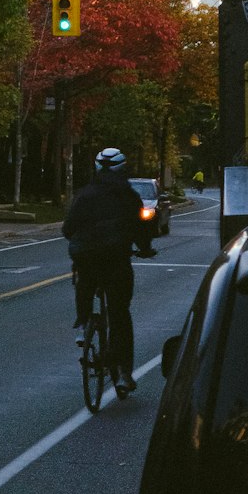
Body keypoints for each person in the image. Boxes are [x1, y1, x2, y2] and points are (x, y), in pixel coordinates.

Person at [62, 147, 156, 399]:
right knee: (120, 313)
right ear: (122, 169)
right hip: (116, 260)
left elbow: (67, 229)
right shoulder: (129, 197)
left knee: (84, 280)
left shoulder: (84, 196)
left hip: (86, 258)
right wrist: (145, 248)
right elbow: (141, 229)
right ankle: (124, 373)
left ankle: (84, 323)